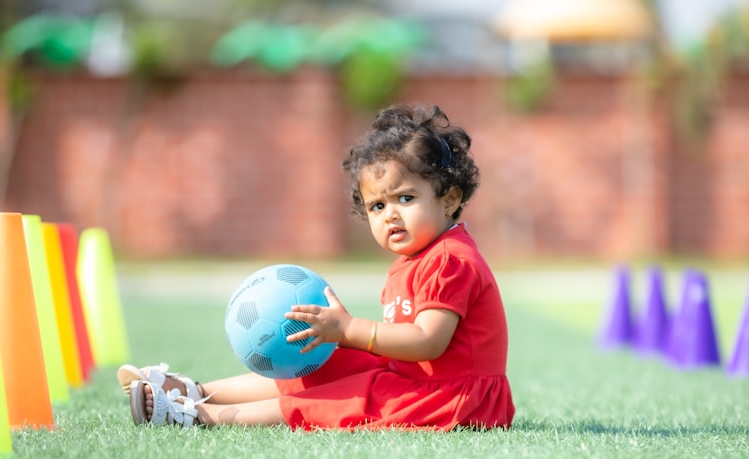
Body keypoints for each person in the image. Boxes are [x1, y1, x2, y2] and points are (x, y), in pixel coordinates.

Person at [118, 103, 515, 430]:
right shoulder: (415, 261)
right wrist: (342, 340)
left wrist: (350, 329)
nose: (391, 215)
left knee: (341, 397)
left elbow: (429, 341)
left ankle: (201, 416)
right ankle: (195, 389)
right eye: (378, 206)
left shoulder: (449, 260)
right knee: (327, 364)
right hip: (422, 381)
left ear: (449, 199)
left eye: (406, 198)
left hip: (456, 400)